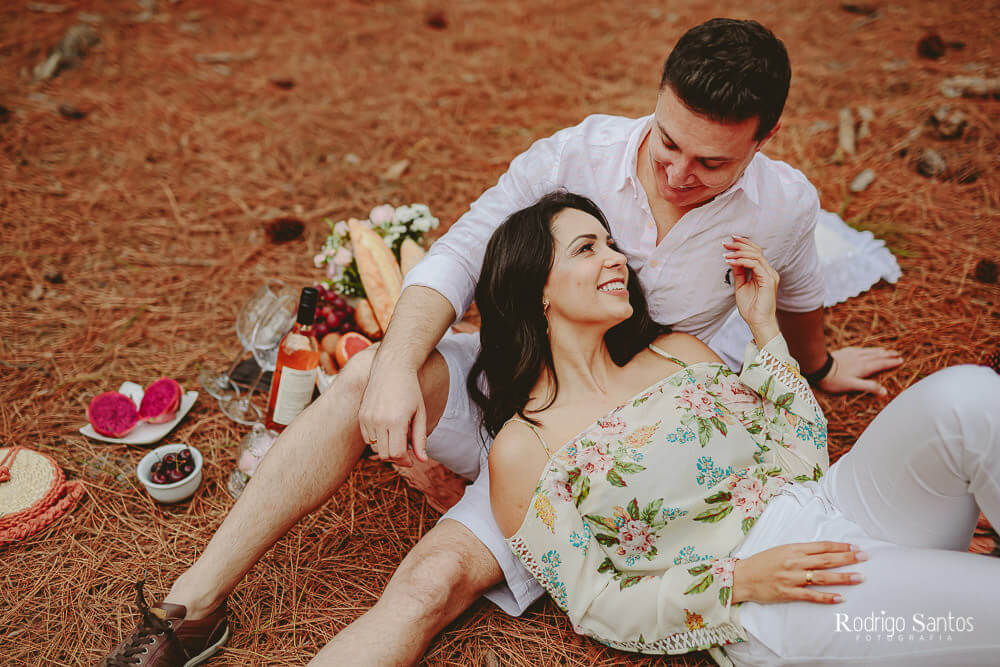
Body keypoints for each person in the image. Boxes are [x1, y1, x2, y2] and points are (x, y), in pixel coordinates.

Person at [102, 18, 903, 666]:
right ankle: (191, 605)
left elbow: (795, 295)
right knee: (365, 379)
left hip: (590, 453)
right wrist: (389, 372)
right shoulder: (574, 155)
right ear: (656, 100)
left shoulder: (786, 205)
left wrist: (818, 366)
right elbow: (456, 255)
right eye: (666, 142)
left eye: (711, 162)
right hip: (505, 375)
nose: (677, 171)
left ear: (762, 142)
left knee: (427, 585)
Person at [484, 192, 1000, 666]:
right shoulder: (524, 446)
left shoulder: (675, 353)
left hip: (827, 505)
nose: (616, 257)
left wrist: (765, 329)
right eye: (586, 248)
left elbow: (800, 462)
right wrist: (739, 581)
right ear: (536, 289)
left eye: (613, 244)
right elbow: (596, 604)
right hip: (771, 597)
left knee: (965, 396)